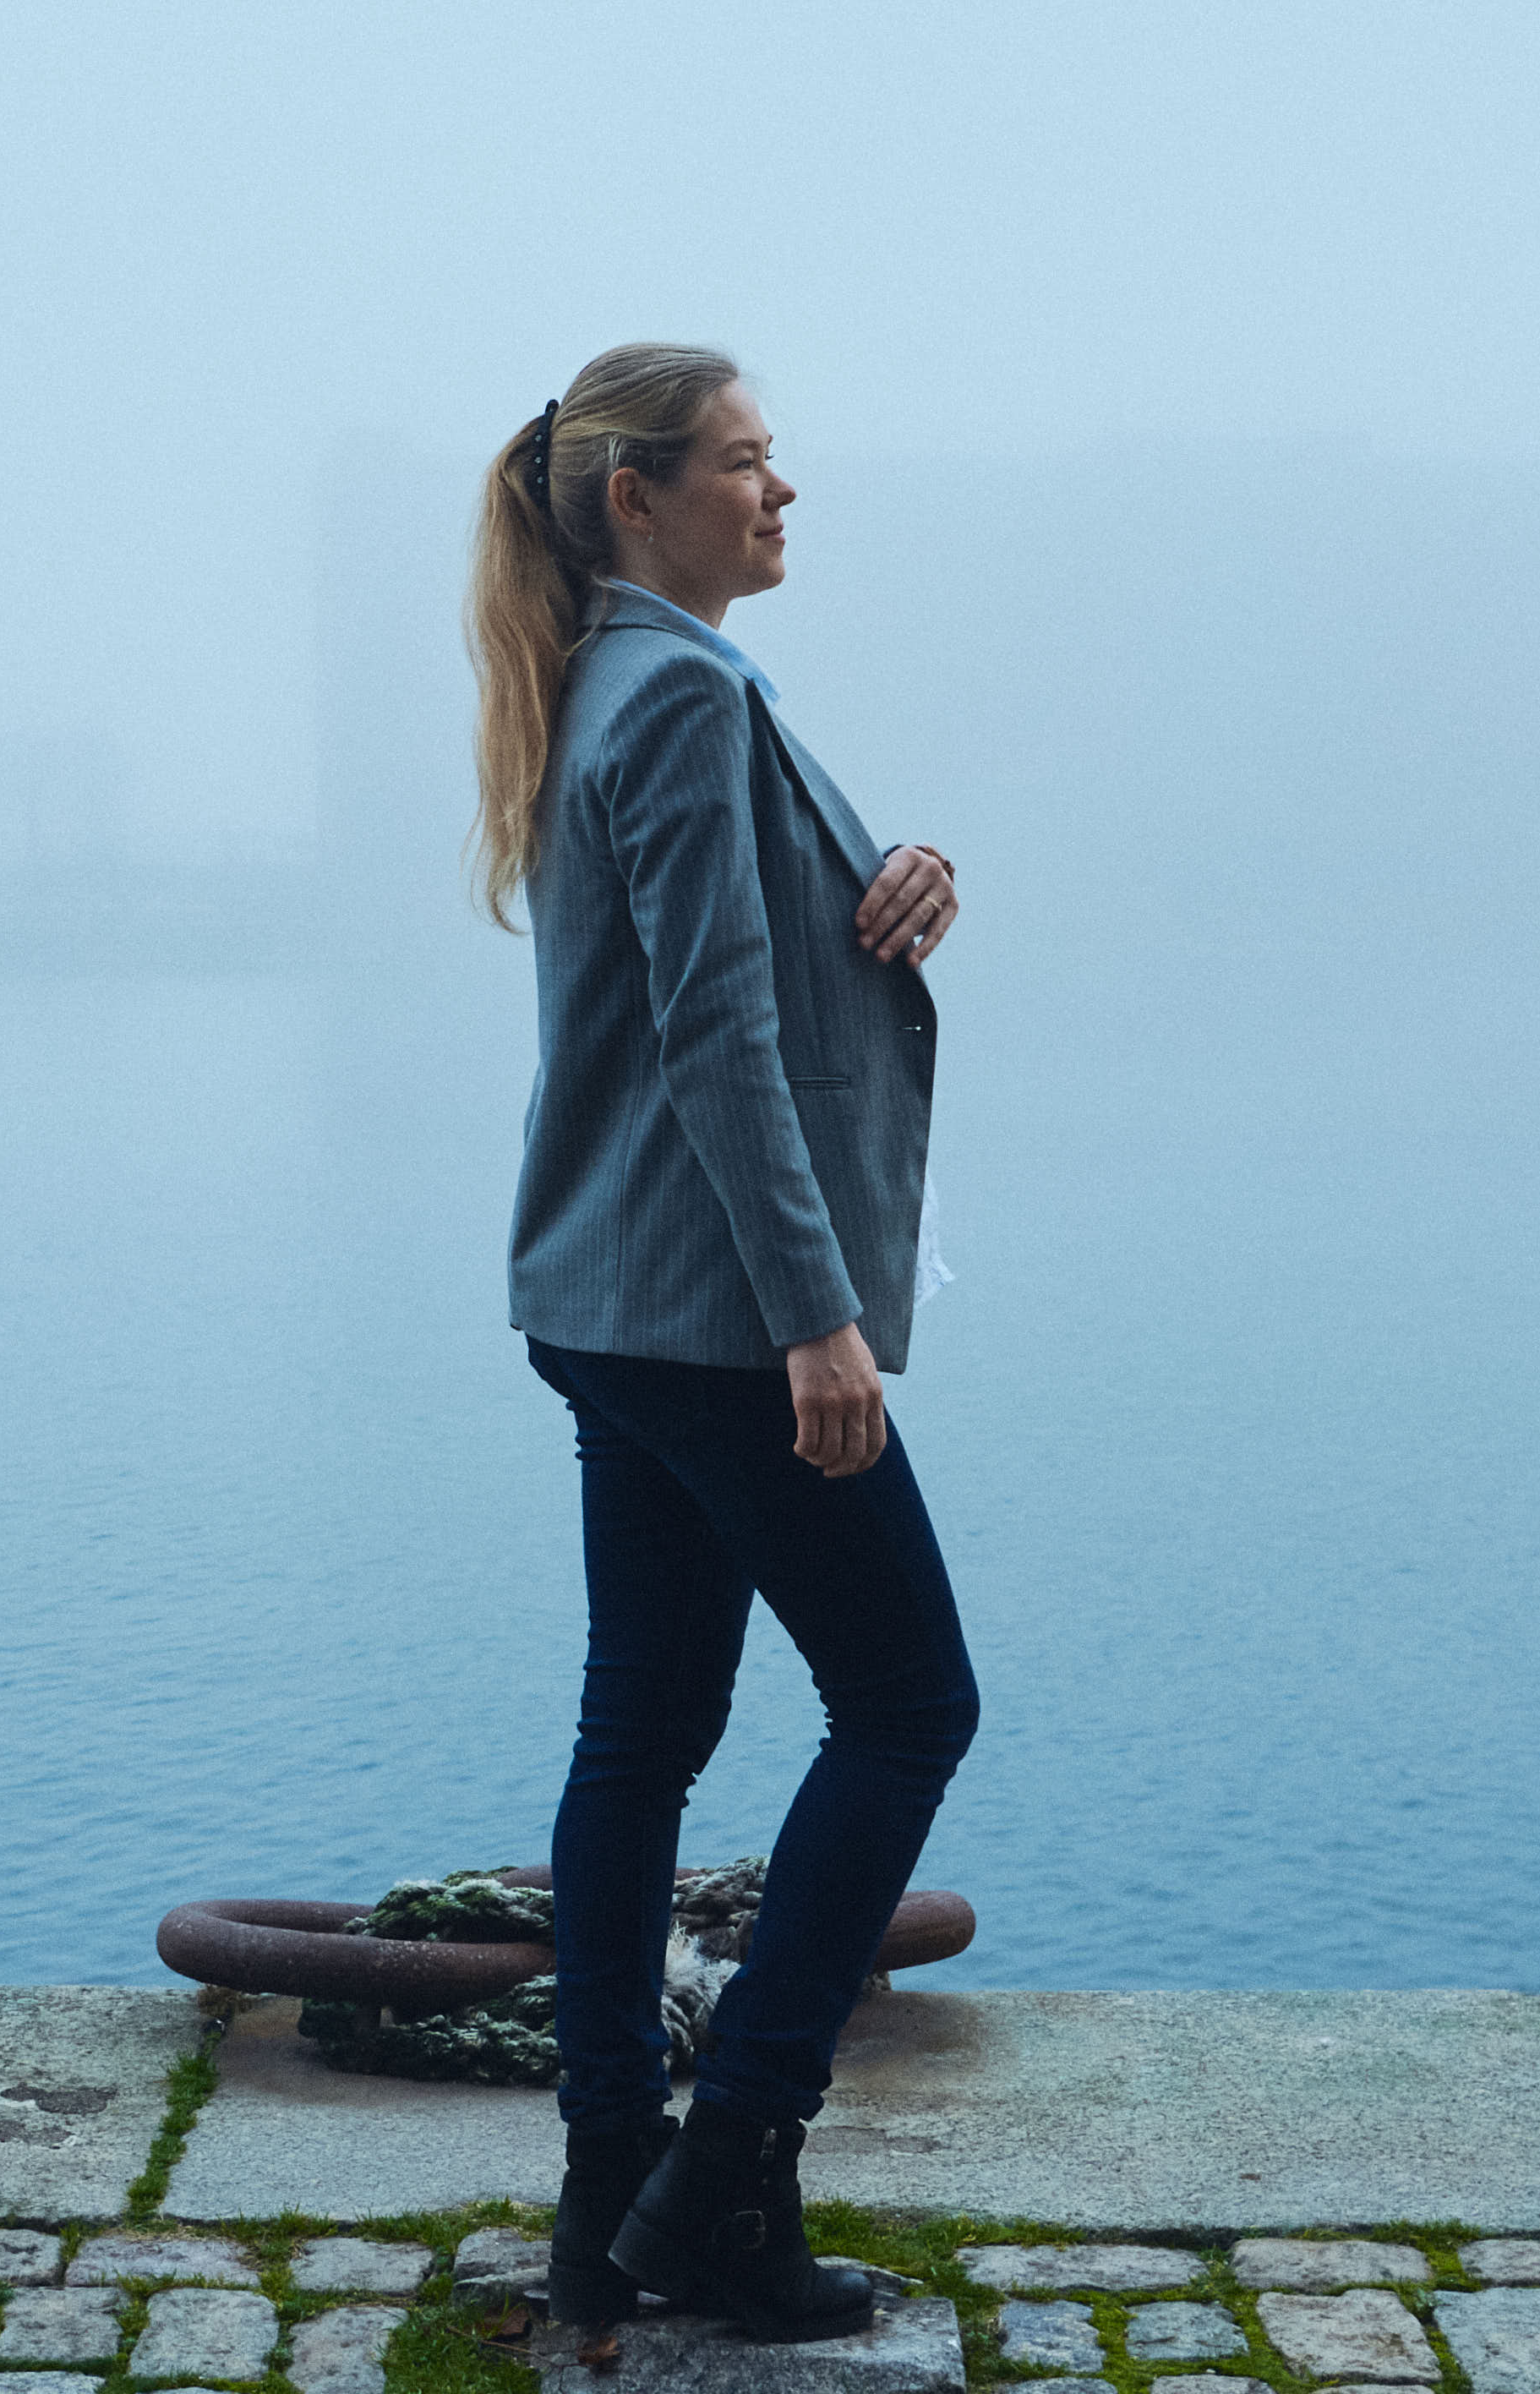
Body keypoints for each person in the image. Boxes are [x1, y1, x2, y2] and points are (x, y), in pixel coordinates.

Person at [465, 342, 977, 2342]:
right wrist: (818, 1324)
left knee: (642, 1738)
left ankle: (614, 2197)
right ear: (635, 492)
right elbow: (713, 1041)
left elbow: (728, 966)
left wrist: (881, 891)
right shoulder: (673, 689)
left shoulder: (620, 677)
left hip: (607, 1300)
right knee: (912, 1702)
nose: (785, 492)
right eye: (748, 462)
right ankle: (732, 2165)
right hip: (709, 1320)